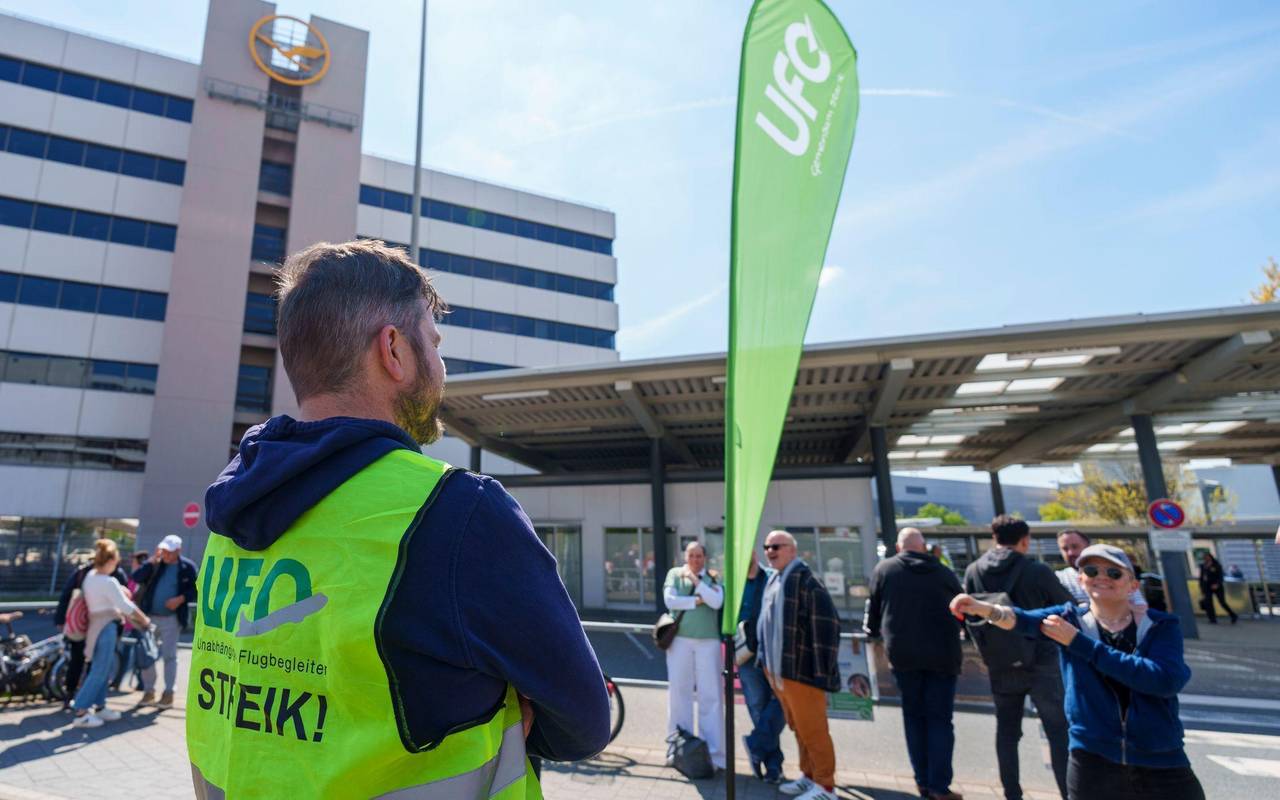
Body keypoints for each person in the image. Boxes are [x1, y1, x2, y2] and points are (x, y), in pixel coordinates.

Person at [189, 240, 609, 798]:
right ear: (394, 349)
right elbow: (584, 719)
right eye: (433, 343)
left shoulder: (231, 513)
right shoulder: (458, 512)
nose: (441, 365)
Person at [950, 544, 1205, 800]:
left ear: (1132, 585)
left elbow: (1162, 680)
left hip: (1159, 758)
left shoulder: (1159, 625)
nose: (1101, 577)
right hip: (1092, 759)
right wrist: (982, 608)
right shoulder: (1070, 619)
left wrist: (1079, 643)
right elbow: (1022, 620)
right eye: (1091, 571)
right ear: (1081, 580)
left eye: (1114, 573)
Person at [964, 515, 1073, 800]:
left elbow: (968, 615)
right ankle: (1067, 793)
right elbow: (1067, 608)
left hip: (1000, 662)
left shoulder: (974, 570)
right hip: (1042, 660)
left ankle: (1012, 794)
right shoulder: (1036, 570)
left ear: (994, 538)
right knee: (1058, 732)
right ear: (1025, 540)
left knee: (1007, 733)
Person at [865, 528, 964, 800]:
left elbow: (872, 614)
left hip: (903, 655)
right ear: (924, 547)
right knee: (941, 720)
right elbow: (963, 611)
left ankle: (922, 781)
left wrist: (873, 634)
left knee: (914, 718)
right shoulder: (944, 573)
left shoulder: (885, 570)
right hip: (943, 655)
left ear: (899, 548)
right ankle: (939, 787)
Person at [757, 530, 841, 800]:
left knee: (814, 731)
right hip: (780, 672)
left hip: (801, 673)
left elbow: (827, 628)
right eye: (767, 546)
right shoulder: (776, 580)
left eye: (776, 546)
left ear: (792, 550)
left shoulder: (807, 582)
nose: (770, 551)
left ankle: (826, 786)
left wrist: (821, 671)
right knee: (799, 729)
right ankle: (809, 776)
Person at [69, 539, 151, 728]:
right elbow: (125, 606)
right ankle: (81, 711)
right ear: (111, 559)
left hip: (94, 627)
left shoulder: (91, 576)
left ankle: (100, 706)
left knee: (102, 669)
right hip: (106, 627)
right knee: (100, 670)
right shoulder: (109, 581)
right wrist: (144, 619)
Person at [663, 541, 726, 770]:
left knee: (711, 696)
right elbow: (670, 601)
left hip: (708, 642)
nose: (695, 559)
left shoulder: (714, 577)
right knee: (679, 694)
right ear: (685, 556)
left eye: (699, 555)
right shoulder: (674, 574)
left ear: (705, 557)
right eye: (691, 555)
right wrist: (698, 600)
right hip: (680, 641)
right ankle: (677, 749)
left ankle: (715, 755)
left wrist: (697, 583)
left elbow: (717, 602)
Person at [130, 534, 198, 708]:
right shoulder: (156, 565)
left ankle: (168, 693)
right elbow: (136, 577)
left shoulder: (188, 567)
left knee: (169, 656)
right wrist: (151, 562)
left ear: (178, 551)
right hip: (150, 617)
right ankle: (149, 691)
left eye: (169, 552)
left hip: (172, 618)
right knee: (147, 655)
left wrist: (180, 599)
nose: (165, 555)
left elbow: (195, 589)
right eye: (163, 551)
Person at [54, 554, 129, 709]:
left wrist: (61, 620)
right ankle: (79, 702)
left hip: (86, 625)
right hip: (93, 625)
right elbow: (125, 601)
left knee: (87, 663)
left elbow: (66, 596)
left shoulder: (88, 574)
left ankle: (85, 700)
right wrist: (61, 620)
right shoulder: (101, 575)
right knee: (91, 665)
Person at [737, 556, 785, 783]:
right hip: (746, 655)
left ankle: (756, 745)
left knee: (781, 703)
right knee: (757, 707)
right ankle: (773, 765)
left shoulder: (772, 578)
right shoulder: (733, 583)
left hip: (772, 652)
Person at [1197, 552, 1237, 624]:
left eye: (1207, 557)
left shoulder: (1216, 565)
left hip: (1217, 586)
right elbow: (1201, 577)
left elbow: (1220, 576)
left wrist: (1217, 584)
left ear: (1211, 557)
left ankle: (1233, 615)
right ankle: (1212, 619)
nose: (1206, 558)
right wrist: (1201, 587)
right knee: (1208, 603)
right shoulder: (1203, 566)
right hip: (1207, 586)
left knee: (1222, 602)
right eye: (1205, 557)